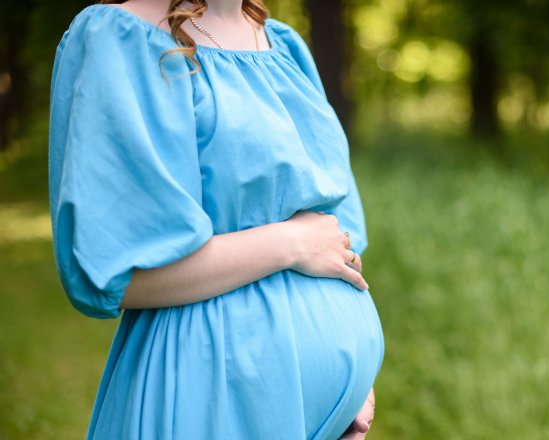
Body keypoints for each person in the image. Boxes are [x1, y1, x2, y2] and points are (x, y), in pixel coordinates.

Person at [48, 0, 384, 438]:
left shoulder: (282, 43)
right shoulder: (122, 37)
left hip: (327, 418)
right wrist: (290, 246)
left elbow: (335, 237)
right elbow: (119, 275)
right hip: (212, 393)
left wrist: (354, 387)